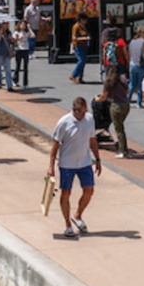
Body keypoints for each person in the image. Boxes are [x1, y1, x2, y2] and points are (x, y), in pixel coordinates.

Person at [48, 97, 103, 237]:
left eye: (82, 111)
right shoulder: (63, 123)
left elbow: (92, 140)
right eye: (76, 111)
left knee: (89, 191)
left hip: (84, 162)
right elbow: (55, 145)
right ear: (72, 109)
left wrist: (97, 159)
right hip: (67, 164)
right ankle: (67, 225)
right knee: (66, 194)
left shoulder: (89, 119)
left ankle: (77, 215)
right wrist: (51, 166)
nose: (79, 114)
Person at [98, 65, 131, 158]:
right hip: (126, 105)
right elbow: (127, 91)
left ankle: (122, 151)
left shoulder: (108, 82)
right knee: (121, 127)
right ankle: (125, 148)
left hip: (115, 106)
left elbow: (103, 96)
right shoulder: (123, 78)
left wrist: (97, 99)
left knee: (118, 129)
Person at [128, 26, 144, 108]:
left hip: (132, 65)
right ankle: (139, 102)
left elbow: (129, 53)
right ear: (143, 33)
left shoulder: (132, 42)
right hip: (141, 66)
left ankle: (128, 99)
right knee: (141, 84)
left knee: (132, 83)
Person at [12, 20, 34, 88]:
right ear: (19, 25)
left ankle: (25, 83)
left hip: (25, 50)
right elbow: (13, 41)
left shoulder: (26, 32)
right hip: (19, 50)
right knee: (18, 66)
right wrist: (19, 38)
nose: (23, 26)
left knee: (25, 67)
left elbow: (33, 36)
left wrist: (29, 28)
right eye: (22, 25)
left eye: (24, 25)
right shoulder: (16, 32)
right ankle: (15, 81)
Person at [69, 15, 90, 83]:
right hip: (78, 46)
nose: (86, 22)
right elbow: (74, 38)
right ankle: (73, 75)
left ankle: (80, 77)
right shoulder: (76, 26)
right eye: (85, 20)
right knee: (81, 60)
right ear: (81, 20)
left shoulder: (84, 27)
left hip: (84, 45)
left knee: (83, 61)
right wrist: (84, 38)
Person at [0, 23, 14, 91]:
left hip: (7, 53)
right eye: (5, 24)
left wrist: (11, 39)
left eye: (7, 24)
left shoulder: (8, 32)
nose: (7, 25)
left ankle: (9, 85)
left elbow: (11, 41)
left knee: (8, 69)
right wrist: (0, 33)